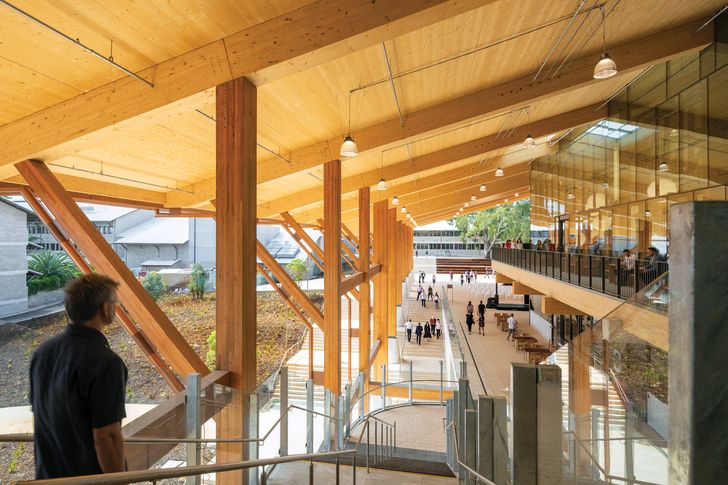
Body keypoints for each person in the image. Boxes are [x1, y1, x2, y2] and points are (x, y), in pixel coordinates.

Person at [30, 274, 127, 479]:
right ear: (105, 308)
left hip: (48, 477)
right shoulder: (106, 362)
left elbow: (41, 414)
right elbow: (105, 436)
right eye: (115, 302)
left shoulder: (42, 353)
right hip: (86, 479)